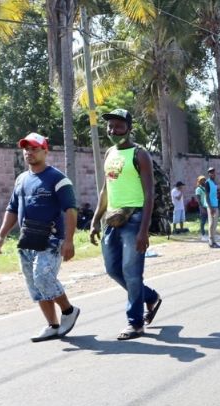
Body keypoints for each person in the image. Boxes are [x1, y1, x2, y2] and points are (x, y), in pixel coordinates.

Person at [0, 132, 81, 342]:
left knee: (43, 276)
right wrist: (1, 235)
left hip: (51, 240)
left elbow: (71, 209)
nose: (29, 152)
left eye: (34, 148)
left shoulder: (58, 179)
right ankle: (52, 325)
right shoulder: (21, 179)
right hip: (27, 240)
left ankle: (68, 311)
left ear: (45, 151)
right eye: (26, 149)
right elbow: (12, 208)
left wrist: (69, 240)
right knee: (34, 283)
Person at [90, 108, 162, 340]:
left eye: (119, 126)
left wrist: (144, 231)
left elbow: (149, 193)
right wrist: (95, 220)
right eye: (110, 126)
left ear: (129, 128)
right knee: (113, 269)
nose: (113, 130)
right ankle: (150, 297)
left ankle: (136, 323)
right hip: (112, 219)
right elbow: (105, 189)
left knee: (132, 273)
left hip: (135, 219)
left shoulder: (139, 154)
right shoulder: (110, 152)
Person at [205, 166, 220, 244]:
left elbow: (214, 194)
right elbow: (207, 196)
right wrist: (210, 208)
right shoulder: (207, 182)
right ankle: (211, 241)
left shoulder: (215, 182)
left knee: (215, 224)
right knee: (211, 223)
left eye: (213, 172)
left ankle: (214, 240)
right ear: (209, 174)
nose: (212, 173)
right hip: (211, 206)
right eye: (210, 172)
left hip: (216, 204)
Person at [195, 175, 210, 240]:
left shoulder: (206, 188)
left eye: (204, 180)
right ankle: (203, 234)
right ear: (199, 181)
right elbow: (198, 199)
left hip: (208, 206)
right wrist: (201, 207)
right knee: (203, 221)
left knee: (209, 221)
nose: (204, 181)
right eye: (202, 180)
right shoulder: (198, 189)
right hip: (203, 206)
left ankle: (210, 234)